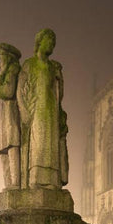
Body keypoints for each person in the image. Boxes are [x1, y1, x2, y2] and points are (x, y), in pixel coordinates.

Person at [16, 28, 68, 189]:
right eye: (49, 41)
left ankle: (52, 180)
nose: (52, 45)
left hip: (51, 109)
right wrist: (25, 111)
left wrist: (60, 78)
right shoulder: (29, 64)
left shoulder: (53, 67)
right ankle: (36, 180)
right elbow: (20, 89)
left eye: (54, 43)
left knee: (51, 146)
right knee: (38, 144)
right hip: (37, 109)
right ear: (40, 42)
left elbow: (60, 93)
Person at [0, 43, 21, 188]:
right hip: (5, 114)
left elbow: (7, 92)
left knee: (12, 146)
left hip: (12, 112)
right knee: (4, 150)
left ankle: (15, 183)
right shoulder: (7, 72)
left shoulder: (13, 70)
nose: (0, 62)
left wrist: (1, 75)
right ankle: (9, 184)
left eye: (1, 57)